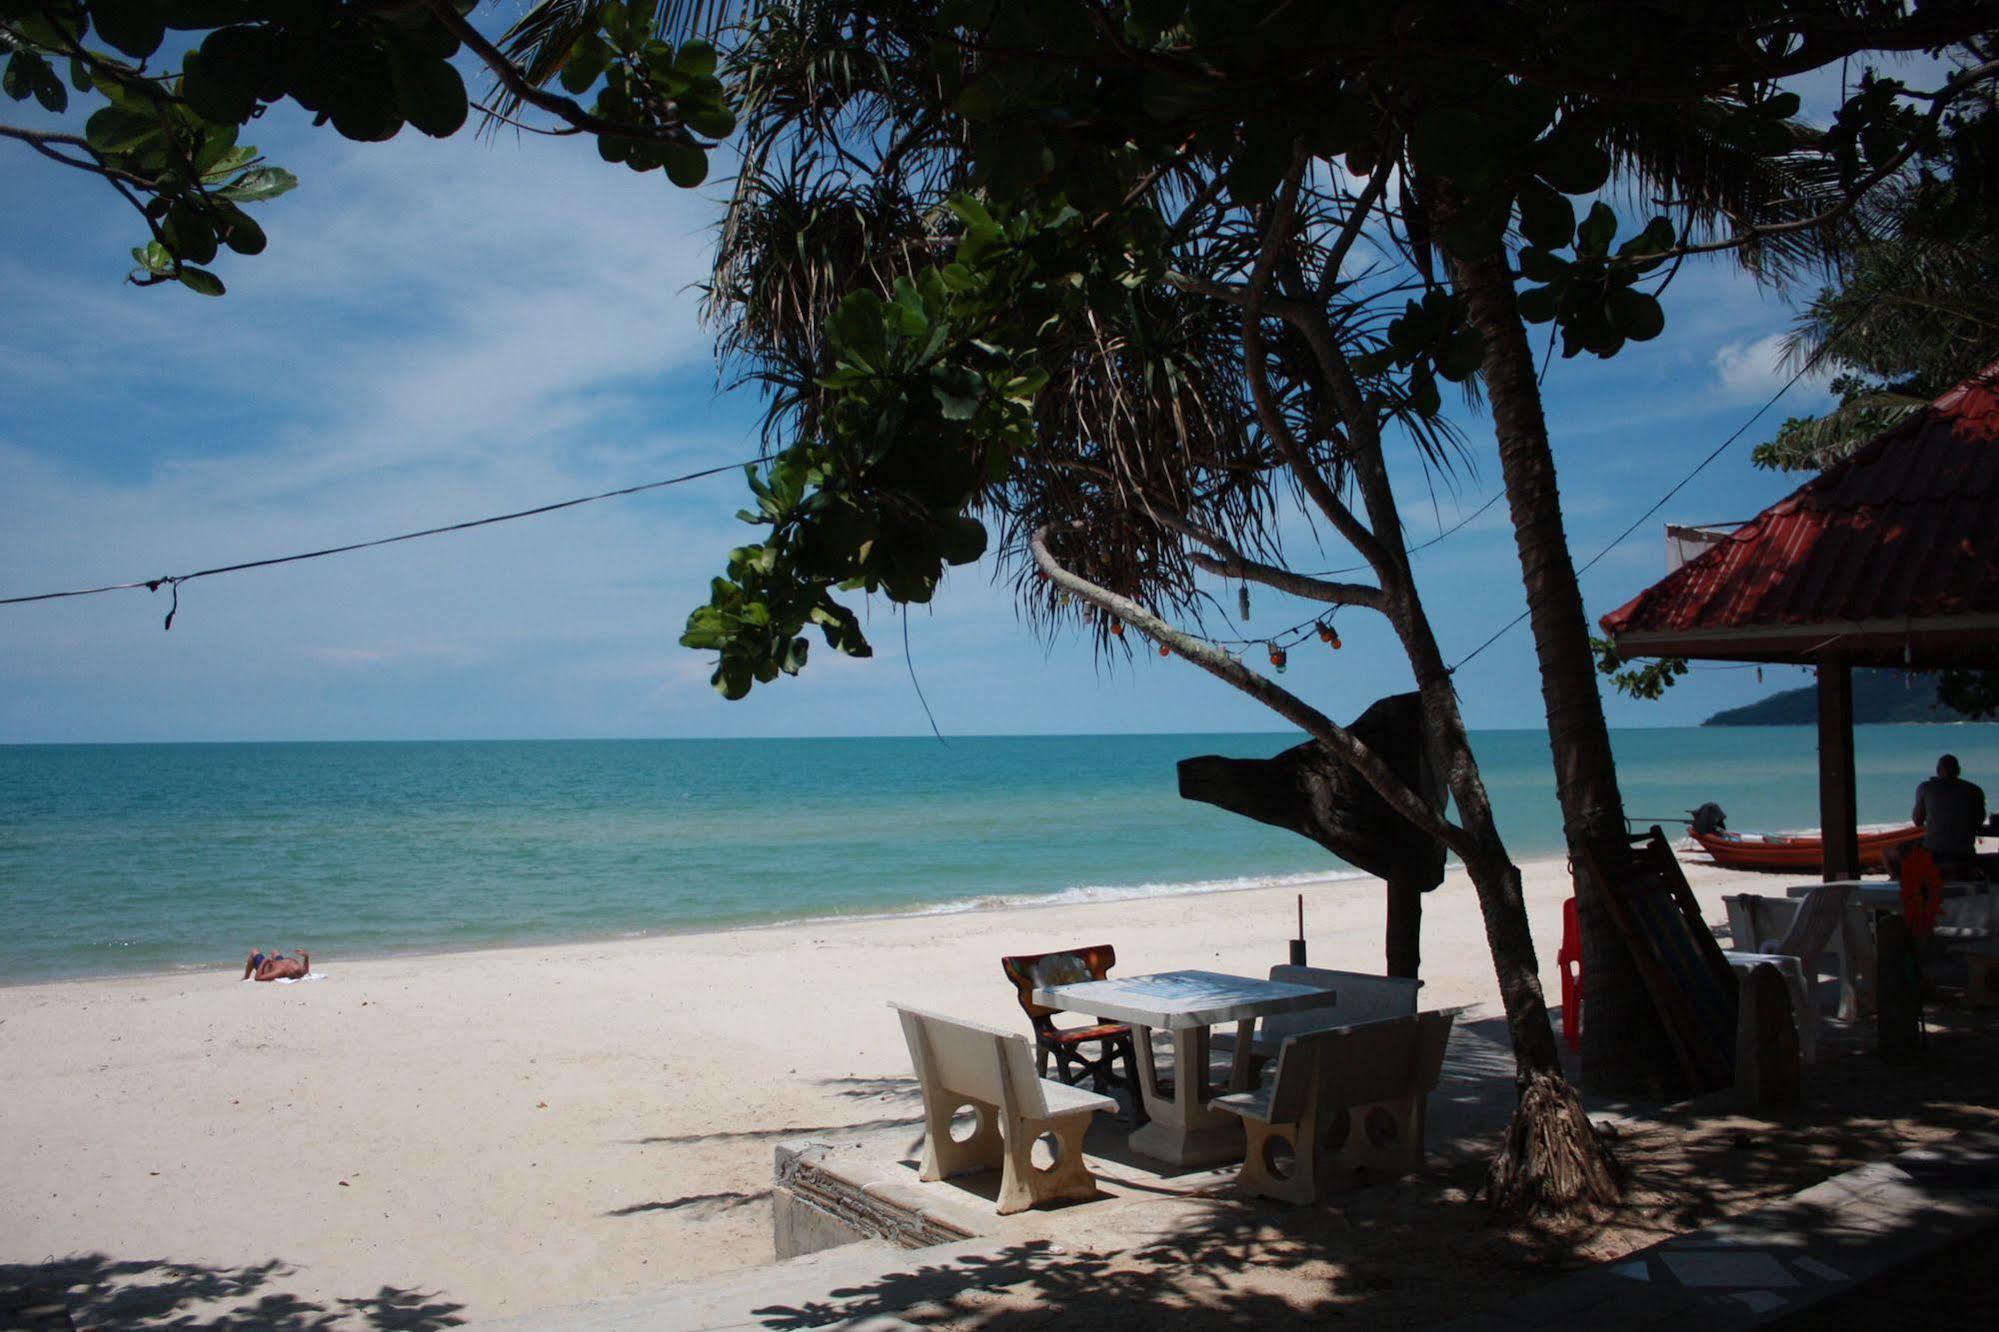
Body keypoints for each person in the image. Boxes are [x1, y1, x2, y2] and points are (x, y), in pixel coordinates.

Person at [1912, 754, 1987, 873]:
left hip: (1934, 852)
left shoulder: (1926, 788)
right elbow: (1978, 821)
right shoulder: (1974, 790)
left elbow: (1917, 821)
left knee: (1890, 852)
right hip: (1964, 852)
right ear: (1958, 771)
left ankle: (1898, 882)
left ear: (1937, 771)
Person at [243, 947, 310, 981]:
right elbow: (305, 971)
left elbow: (258, 978)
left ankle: (246, 976)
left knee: (254, 951)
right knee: (275, 951)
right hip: (280, 962)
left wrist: (265, 961)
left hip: (265, 967)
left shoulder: (279, 971)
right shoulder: (298, 969)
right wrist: (306, 957)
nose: (299, 966)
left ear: (290, 971)